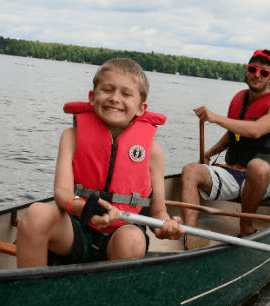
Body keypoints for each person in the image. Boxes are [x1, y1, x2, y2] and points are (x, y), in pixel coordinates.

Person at [16, 58, 184, 268]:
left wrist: (165, 228)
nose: (114, 99)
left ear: (141, 108)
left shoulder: (153, 152)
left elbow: (158, 212)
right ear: (92, 96)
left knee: (131, 239)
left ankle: (111, 296)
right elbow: (62, 192)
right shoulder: (72, 136)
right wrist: (84, 209)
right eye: (107, 90)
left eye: (126, 93)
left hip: (121, 233)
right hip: (76, 228)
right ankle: (31, 295)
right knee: (35, 214)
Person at [181, 49, 270, 248]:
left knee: (258, 166)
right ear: (247, 70)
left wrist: (215, 118)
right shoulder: (240, 100)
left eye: (264, 72)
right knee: (190, 170)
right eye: (252, 69)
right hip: (233, 172)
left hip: (265, 179)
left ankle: (246, 226)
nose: (257, 74)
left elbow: (256, 130)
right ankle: (192, 234)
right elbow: (232, 134)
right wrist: (209, 154)